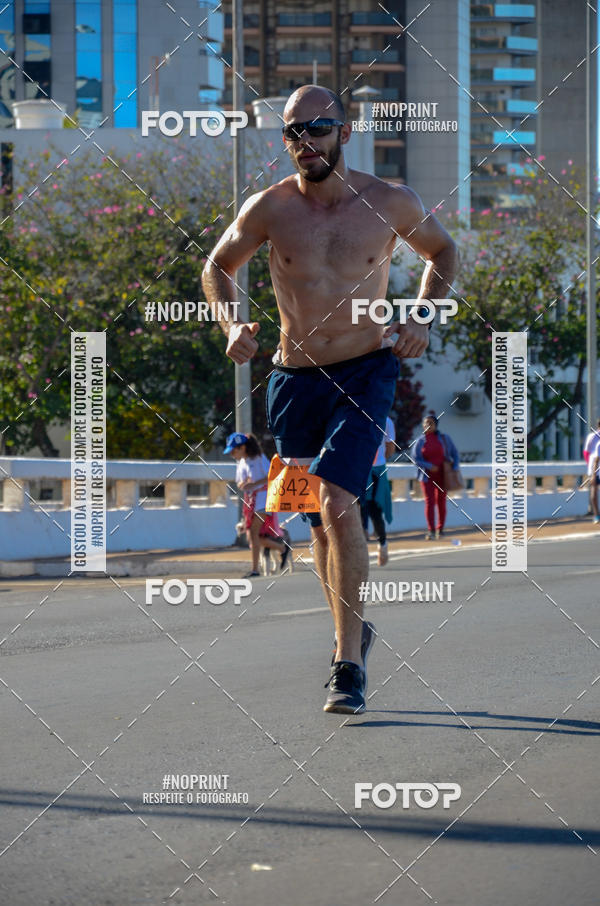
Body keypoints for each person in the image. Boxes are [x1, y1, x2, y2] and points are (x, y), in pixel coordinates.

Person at [202, 84, 458, 713]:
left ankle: (346, 664)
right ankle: (354, 632)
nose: (304, 142)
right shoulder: (269, 208)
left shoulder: (390, 202)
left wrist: (423, 314)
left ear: (345, 130)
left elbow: (444, 251)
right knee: (315, 519)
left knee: (338, 499)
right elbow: (217, 267)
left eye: (316, 128)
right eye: (292, 132)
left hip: (367, 370)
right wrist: (231, 324)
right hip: (295, 379)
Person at [224, 432, 291, 577]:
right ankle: (281, 548)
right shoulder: (241, 463)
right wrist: (245, 484)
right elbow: (240, 483)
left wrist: (254, 484)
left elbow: (272, 476)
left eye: (233, 450)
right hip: (251, 501)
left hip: (264, 499)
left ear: (242, 447)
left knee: (253, 531)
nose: (232, 454)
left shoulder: (259, 458)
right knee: (252, 536)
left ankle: (255, 570)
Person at [415, 415, 459, 540]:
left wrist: (454, 468)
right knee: (429, 502)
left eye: (430, 423)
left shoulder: (445, 439)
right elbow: (415, 459)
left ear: (436, 425)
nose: (427, 425)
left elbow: (455, 454)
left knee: (441, 502)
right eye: (425, 423)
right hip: (426, 476)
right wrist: (428, 465)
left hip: (442, 475)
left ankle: (441, 529)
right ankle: (431, 530)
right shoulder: (420, 441)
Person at [361, 415, 396, 566]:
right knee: (361, 508)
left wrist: (379, 459)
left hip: (375, 471)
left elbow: (390, 448)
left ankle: (382, 543)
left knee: (373, 509)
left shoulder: (386, 421)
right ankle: (365, 546)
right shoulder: (356, 417)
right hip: (360, 470)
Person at [583, 421, 600, 521]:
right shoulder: (592, 436)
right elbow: (586, 452)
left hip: (593, 468)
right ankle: (596, 515)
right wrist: (590, 468)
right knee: (594, 493)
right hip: (594, 469)